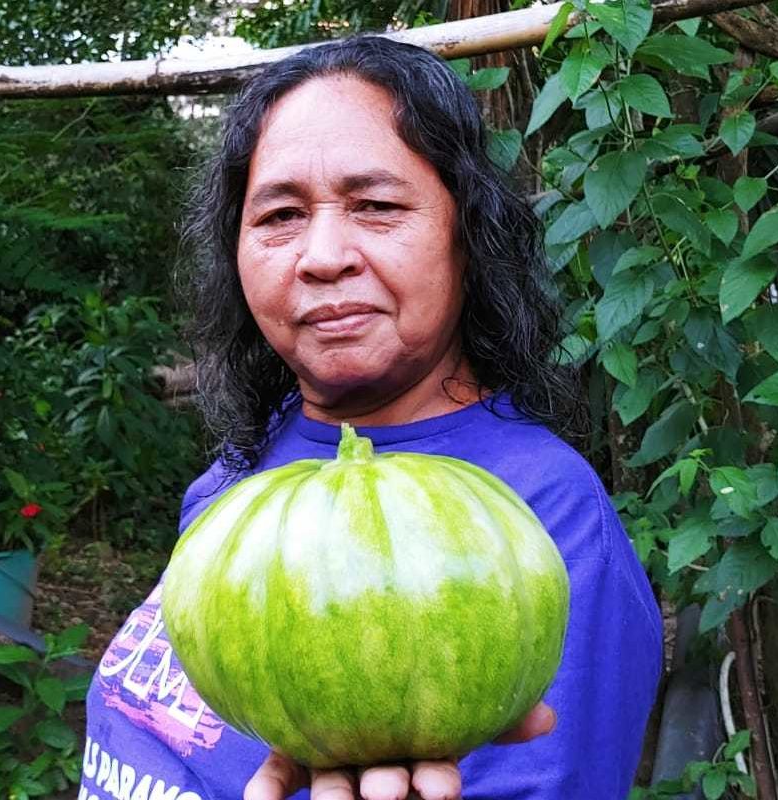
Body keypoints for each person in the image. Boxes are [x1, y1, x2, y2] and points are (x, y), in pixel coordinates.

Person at [80, 35, 663, 800]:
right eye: (280, 214)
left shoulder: (540, 516)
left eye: (377, 205)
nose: (323, 255)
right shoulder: (248, 463)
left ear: (468, 233)